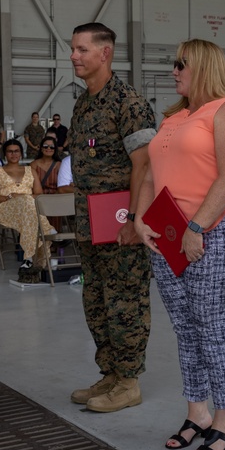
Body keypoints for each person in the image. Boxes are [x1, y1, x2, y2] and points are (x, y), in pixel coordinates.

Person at [134, 39, 225, 450]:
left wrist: (196, 226)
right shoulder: (174, 117)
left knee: (212, 323)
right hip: (169, 233)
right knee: (186, 327)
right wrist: (140, 218)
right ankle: (197, 414)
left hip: (217, 230)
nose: (174, 71)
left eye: (180, 63)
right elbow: (151, 172)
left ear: (202, 66)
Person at [65, 22, 156, 413]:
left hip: (122, 223)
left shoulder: (128, 103)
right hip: (89, 222)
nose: (74, 56)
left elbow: (146, 166)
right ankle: (111, 373)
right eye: (73, 49)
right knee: (96, 300)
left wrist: (136, 219)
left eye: (82, 50)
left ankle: (130, 380)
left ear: (105, 53)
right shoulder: (82, 103)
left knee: (126, 301)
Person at [0, 139, 54, 269]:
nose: (13, 154)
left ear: (21, 153)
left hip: (29, 210)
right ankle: (47, 229)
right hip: (6, 208)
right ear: (5, 154)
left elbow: (39, 195)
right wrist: (13, 198)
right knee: (27, 203)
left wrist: (23, 197)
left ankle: (28, 258)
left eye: (16, 151)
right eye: (10, 151)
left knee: (27, 205)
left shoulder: (30, 170)